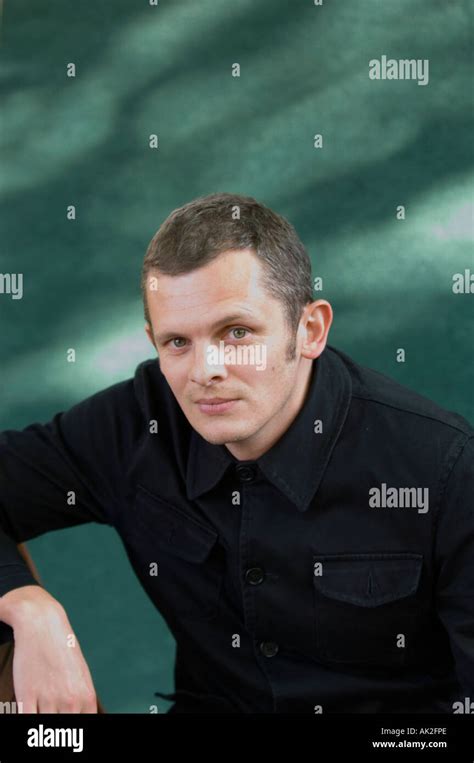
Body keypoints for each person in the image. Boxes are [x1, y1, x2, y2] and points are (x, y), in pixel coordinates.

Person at [0, 192, 472, 713]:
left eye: (237, 332)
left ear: (309, 329)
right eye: (177, 342)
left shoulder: (445, 470)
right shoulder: (137, 423)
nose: (206, 370)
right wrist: (26, 606)